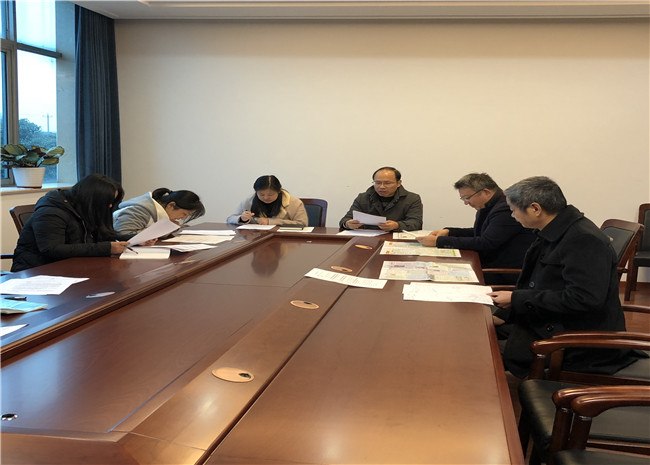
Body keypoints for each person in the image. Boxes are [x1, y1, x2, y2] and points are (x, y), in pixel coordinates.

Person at [488, 176, 638, 378]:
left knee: (480, 354)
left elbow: (583, 298)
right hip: (552, 321)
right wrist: (506, 312)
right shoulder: (555, 230)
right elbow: (539, 283)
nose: (512, 215)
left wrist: (516, 299)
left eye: (513, 209)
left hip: (576, 341)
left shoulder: (583, 239)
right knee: (480, 331)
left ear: (535, 208)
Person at [417, 173, 534, 284]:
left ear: (486, 192)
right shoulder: (489, 205)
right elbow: (479, 232)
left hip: (502, 272)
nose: (466, 203)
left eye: (467, 198)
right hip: (487, 264)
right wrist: (449, 232)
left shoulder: (505, 208)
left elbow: (486, 242)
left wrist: (439, 241)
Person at [11, 174, 129, 272]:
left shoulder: (84, 208)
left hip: (73, 267)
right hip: (38, 271)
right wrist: (106, 248)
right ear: (92, 198)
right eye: (108, 201)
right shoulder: (50, 212)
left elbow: (103, 234)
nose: (110, 205)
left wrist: (132, 239)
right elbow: (52, 249)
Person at [339, 166, 423, 232]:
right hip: (368, 239)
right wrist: (347, 224)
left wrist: (397, 225)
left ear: (398, 183)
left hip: (396, 239)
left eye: (387, 183)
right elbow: (345, 219)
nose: (382, 187)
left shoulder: (412, 198)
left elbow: (416, 223)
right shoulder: (363, 197)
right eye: (378, 183)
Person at [113, 188, 205, 239]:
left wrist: (170, 228)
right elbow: (123, 234)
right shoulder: (140, 211)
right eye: (184, 214)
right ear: (171, 205)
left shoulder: (159, 213)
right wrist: (164, 229)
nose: (182, 218)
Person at [226, 175, 308, 226]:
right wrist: (241, 218)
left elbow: (302, 223)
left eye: (270, 194)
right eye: (261, 194)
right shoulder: (249, 201)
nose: (266, 198)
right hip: (255, 238)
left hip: (284, 240)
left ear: (279, 191)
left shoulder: (294, 202)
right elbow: (230, 219)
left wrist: (270, 222)